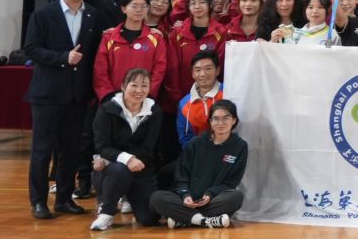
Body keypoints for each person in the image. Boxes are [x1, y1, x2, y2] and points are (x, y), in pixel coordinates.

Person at [24, 0, 95, 218]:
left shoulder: (93, 15)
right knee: (42, 151)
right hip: (47, 95)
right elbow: (31, 49)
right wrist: (63, 58)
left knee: (71, 150)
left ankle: (64, 199)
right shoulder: (44, 14)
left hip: (77, 96)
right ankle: (38, 202)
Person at [151, 99, 247, 229]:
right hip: (187, 199)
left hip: (213, 199)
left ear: (234, 120)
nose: (221, 123)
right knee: (157, 198)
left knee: (235, 197)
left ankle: (185, 219)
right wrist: (185, 195)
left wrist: (210, 193)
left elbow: (231, 182)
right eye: (216, 119)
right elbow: (181, 175)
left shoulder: (240, 146)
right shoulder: (196, 142)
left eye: (226, 118)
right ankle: (204, 220)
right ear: (210, 121)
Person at [89, 67, 162, 230]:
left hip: (140, 168)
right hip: (111, 169)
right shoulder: (107, 110)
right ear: (123, 86)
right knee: (120, 170)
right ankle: (107, 212)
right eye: (134, 85)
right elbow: (102, 147)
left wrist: (128, 159)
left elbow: (148, 148)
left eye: (144, 86)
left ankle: (128, 196)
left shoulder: (154, 111)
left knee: (149, 218)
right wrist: (127, 159)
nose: (139, 90)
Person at [93, 0, 169, 104]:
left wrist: (146, 95)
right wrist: (109, 97)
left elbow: (159, 71)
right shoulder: (109, 37)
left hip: (143, 100)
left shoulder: (156, 38)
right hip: (113, 100)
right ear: (124, 9)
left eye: (143, 6)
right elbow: (100, 71)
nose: (139, 10)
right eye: (134, 6)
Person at [174, 54, 225, 147]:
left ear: (217, 70)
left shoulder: (229, 93)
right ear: (193, 74)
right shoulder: (184, 103)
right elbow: (185, 138)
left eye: (208, 69)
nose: (202, 74)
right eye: (197, 70)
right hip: (197, 152)